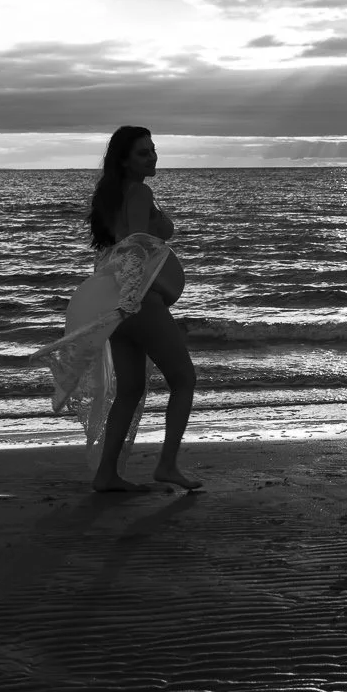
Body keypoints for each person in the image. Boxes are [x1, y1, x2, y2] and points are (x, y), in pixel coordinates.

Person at [37, 125, 201, 493]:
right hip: (137, 301)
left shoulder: (111, 195)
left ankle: (106, 474)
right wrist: (147, 293)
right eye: (143, 152)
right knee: (183, 380)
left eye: (153, 149)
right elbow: (136, 247)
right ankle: (167, 465)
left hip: (118, 303)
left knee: (130, 389)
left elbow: (113, 253)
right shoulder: (140, 192)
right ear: (124, 160)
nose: (152, 157)